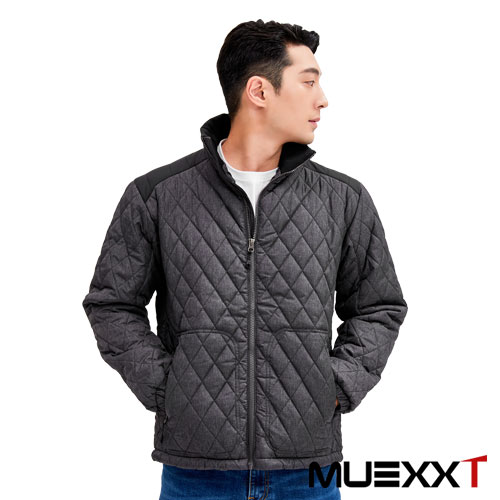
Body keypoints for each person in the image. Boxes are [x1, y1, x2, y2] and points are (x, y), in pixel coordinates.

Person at [82, 19, 408, 500]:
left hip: (307, 472)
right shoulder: (158, 195)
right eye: (309, 82)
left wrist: (336, 385)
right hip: (197, 474)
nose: (323, 99)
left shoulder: (343, 199)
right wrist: (170, 390)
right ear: (259, 91)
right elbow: (112, 304)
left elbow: (379, 306)